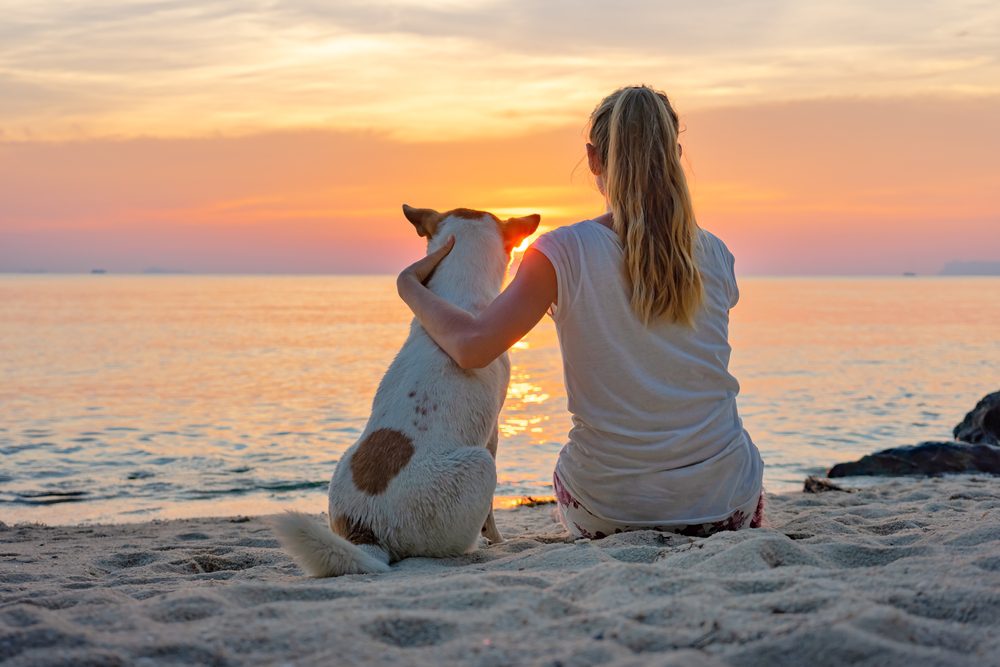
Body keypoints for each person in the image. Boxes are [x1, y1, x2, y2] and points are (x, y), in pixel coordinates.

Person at [396, 85, 764, 539]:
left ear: (593, 159)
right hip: (725, 503)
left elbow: (472, 348)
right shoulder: (716, 253)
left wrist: (409, 286)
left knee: (583, 471)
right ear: (676, 153)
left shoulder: (561, 252)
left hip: (608, 508)